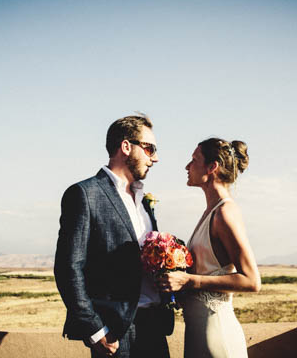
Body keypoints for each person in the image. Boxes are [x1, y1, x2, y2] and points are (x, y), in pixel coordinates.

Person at [54, 115, 173, 358]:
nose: (156, 158)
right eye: (150, 149)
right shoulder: (85, 194)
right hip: (116, 333)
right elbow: (69, 268)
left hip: (155, 328)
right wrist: (95, 331)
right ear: (126, 147)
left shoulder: (144, 201)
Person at [158, 137, 261, 358]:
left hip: (218, 337)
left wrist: (189, 281)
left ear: (212, 167)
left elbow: (252, 280)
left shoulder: (225, 213)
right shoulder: (210, 212)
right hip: (199, 334)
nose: (187, 166)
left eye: (194, 160)